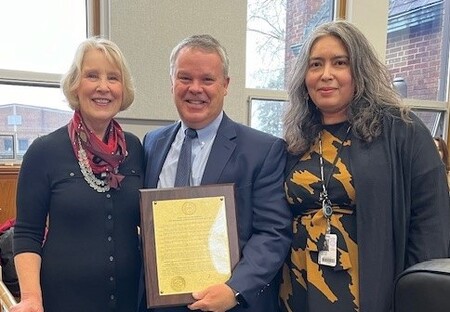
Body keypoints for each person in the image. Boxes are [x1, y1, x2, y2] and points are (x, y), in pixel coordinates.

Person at [279, 20, 450, 312]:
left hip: (371, 292)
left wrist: (417, 296)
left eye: (340, 63)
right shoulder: (296, 138)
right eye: (316, 64)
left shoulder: (402, 131)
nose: (326, 75)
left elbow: (431, 225)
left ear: (360, 70)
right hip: (296, 290)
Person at [140, 34, 292, 312]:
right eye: (185, 78)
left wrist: (234, 289)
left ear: (225, 85)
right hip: (160, 304)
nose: (195, 89)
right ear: (171, 82)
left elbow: (273, 233)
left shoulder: (262, 150)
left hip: (229, 304)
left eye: (207, 80)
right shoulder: (152, 142)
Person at [12, 37, 144, 312]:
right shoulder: (44, 151)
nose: (103, 87)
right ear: (75, 84)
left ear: (123, 89)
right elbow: (27, 233)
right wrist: (31, 298)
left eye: (113, 78)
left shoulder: (135, 148)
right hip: (65, 300)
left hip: (130, 301)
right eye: (92, 75)